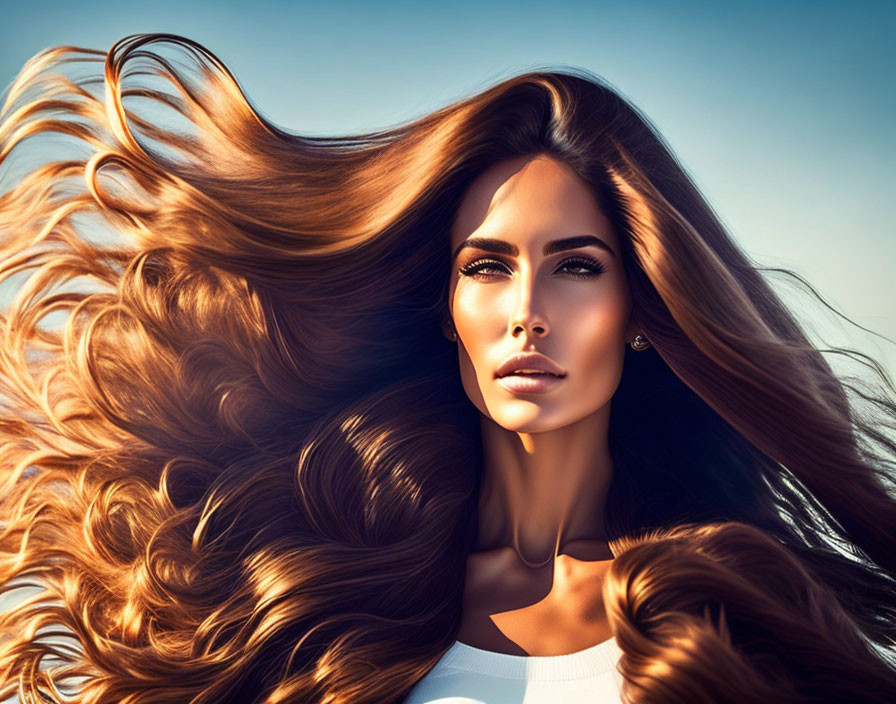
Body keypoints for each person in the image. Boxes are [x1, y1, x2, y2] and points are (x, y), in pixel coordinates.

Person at [0, 32, 894, 704]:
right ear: (447, 308)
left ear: (640, 315)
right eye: (487, 267)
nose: (528, 311)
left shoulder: (729, 611)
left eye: (578, 267)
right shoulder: (319, 592)